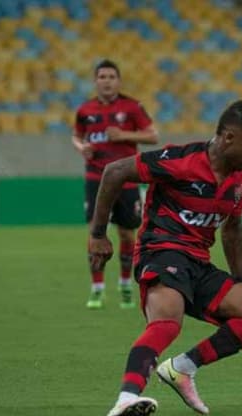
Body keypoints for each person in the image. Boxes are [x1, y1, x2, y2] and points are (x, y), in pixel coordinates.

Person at [88, 100, 242, 416]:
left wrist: (239, 279)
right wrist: (98, 234)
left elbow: (232, 228)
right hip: (161, 251)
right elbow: (115, 171)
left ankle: (183, 368)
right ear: (228, 137)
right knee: (167, 322)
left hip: (198, 263)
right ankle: (126, 398)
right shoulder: (180, 160)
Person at [72, 59, 158, 309]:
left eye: (111, 76)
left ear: (118, 81)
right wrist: (81, 147)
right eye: (102, 77)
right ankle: (97, 288)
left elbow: (153, 135)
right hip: (95, 178)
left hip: (127, 179)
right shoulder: (85, 110)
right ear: (95, 81)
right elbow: (76, 135)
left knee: (125, 233)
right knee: (95, 232)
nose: (106, 81)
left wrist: (124, 135)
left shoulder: (132, 107)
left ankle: (125, 284)